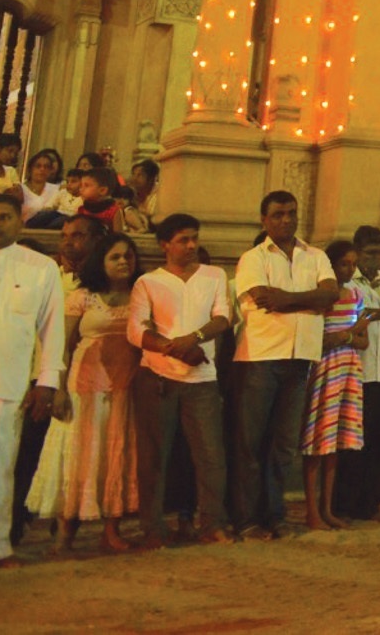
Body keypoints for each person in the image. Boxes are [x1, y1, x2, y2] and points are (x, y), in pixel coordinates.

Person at [229, 189, 338, 539]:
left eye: (291, 213)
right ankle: (246, 518)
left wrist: (287, 300)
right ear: (264, 220)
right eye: (277, 214)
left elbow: (331, 294)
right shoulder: (253, 258)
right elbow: (263, 298)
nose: (286, 220)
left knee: (283, 445)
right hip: (261, 356)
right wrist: (310, 301)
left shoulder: (316, 255)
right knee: (251, 442)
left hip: (300, 357)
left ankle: (274, 515)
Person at [128, 212, 233, 548]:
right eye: (183, 240)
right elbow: (136, 329)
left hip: (202, 379)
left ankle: (211, 524)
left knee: (210, 456)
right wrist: (176, 349)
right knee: (154, 456)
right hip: (158, 377)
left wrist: (194, 338)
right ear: (164, 245)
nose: (191, 245)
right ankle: (153, 529)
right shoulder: (148, 282)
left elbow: (223, 317)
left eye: (194, 238)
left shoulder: (214, 275)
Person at [36, 232, 142, 552]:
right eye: (115, 257)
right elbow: (60, 347)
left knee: (117, 457)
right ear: (101, 261)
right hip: (82, 388)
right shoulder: (82, 297)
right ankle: (66, 532)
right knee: (78, 457)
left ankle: (111, 531)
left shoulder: (143, 295)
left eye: (128, 256)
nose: (124, 261)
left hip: (127, 389)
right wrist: (56, 389)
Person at [0, 190, 64, 567]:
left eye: (3, 217)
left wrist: (47, 381)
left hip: (5, 381)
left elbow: (51, 330)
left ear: (19, 221)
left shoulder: (40, 268)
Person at [9, 212, 98, 544]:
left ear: (95, 240)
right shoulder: (44, 277)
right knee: (26, 456)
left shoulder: (99, 285)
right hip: (41, 381)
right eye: (64, 235)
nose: (68, 241)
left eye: (77, 236)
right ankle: (13, 527)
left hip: (87, 383)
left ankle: (62, 529)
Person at [301, 240, 371, 531]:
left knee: (336, 444)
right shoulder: (322, 297)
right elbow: (319, 339)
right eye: (345, 264)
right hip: (324, 370)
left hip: (349, 371)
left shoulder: (355, 295)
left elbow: (364, 340)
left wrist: (347, 336)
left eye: (354, 264)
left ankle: (327, 507)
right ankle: (311, 510)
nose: (350, 269)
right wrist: (349, 334)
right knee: (318, 442)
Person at [335, 227, 380, 522]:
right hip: (360, 369)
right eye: (371, 254)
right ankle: (348, 501)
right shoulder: (352, 283)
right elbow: (353, 315)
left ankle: (372, 500)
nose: (377, 259)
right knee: (356, 440)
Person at [12, 150, 62, 222]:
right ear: (30, 169)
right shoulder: (19, 189)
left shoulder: (57, 189)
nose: (42, 169)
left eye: (46, 167)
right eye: (38, 166)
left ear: (51, 170)